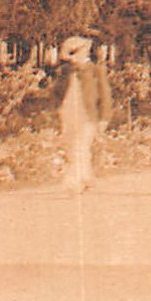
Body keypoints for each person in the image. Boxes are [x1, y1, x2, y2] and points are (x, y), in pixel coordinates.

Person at [56, 36, 112, 193]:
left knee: (79, 146)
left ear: (84, 52)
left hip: (88, 115)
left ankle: (72, 182)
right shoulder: (66, 71)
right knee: (72, 147)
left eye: (75, 52)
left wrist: (104, 117)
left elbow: (104, 93)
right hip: (69, 112)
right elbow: (57, 92)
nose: (72, 57)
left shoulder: (95, 69)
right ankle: (86, 177)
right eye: (70, 53)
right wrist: (57, 108)